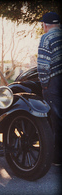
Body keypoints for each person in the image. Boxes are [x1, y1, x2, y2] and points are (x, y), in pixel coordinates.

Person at [37, 12, 62, 165]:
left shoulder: (46, 38)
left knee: (56, 119)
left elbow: (43, 65)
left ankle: (57, 158)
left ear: (45, 25)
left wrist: (44, 84)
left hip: (54, 82)